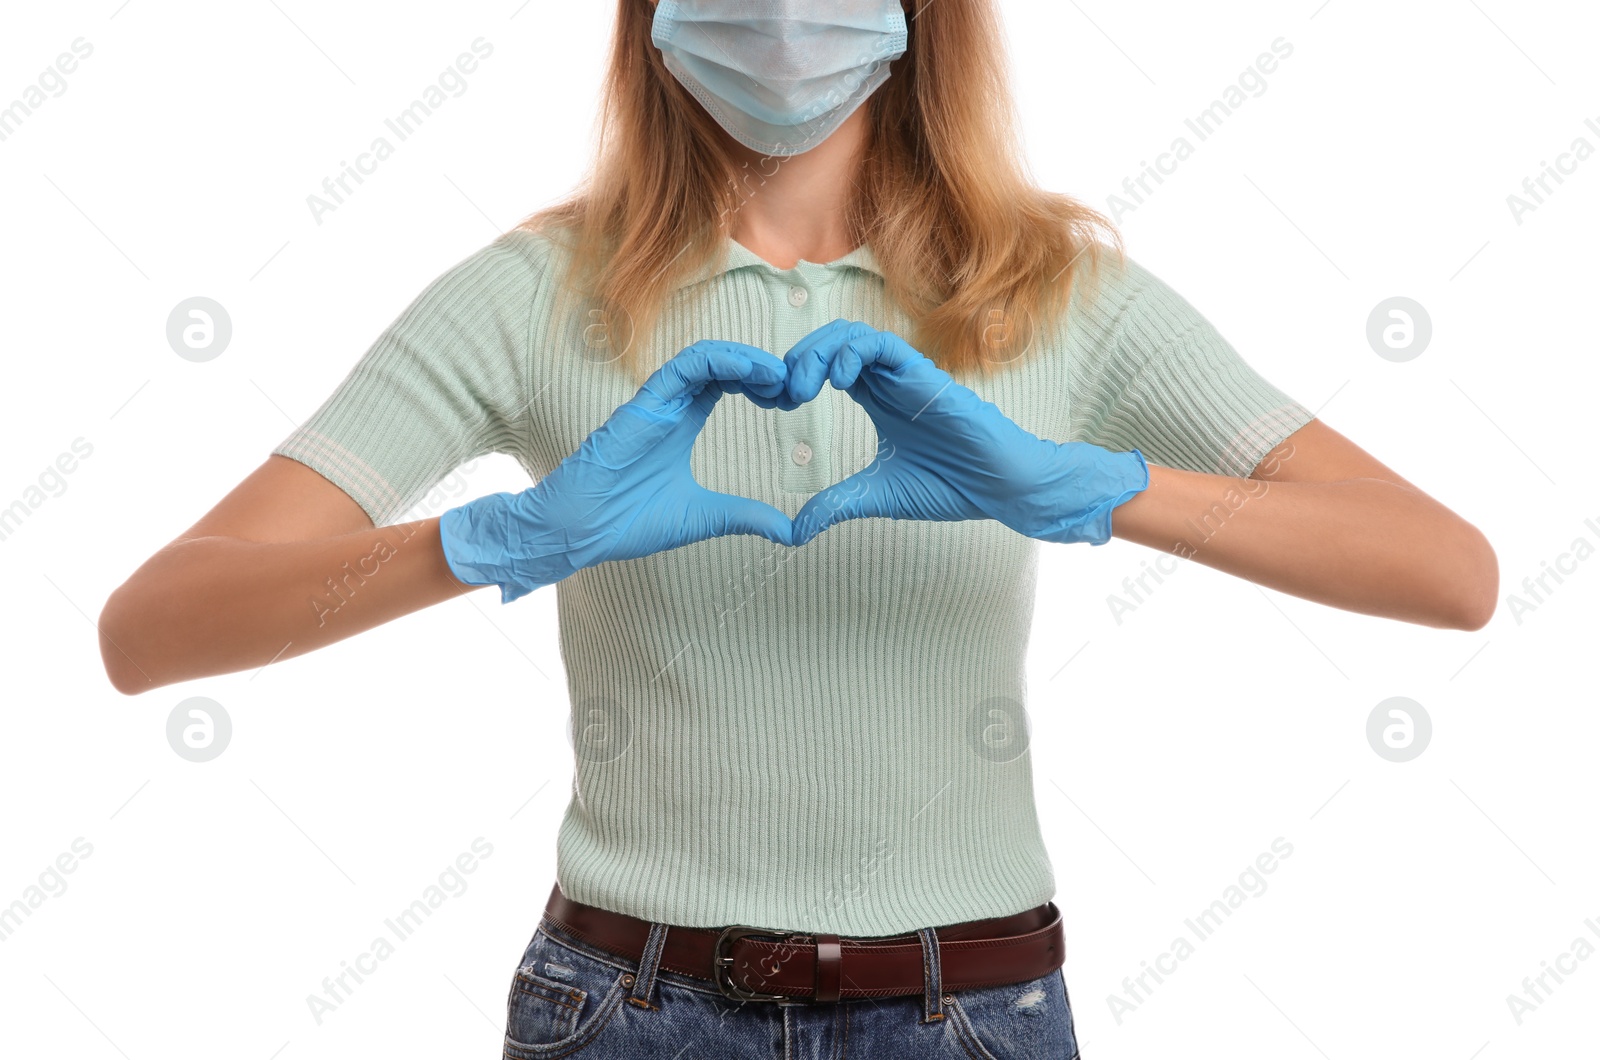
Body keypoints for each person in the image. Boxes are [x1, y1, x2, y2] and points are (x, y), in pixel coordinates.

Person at [98, 1, 1498, 1056]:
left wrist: (1095, 489)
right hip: (627, 1008)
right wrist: (500, 541)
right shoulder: (533, 295)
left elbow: (1448, 568)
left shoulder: (1053, 293)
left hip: (974, 1009)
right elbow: (154, 625)